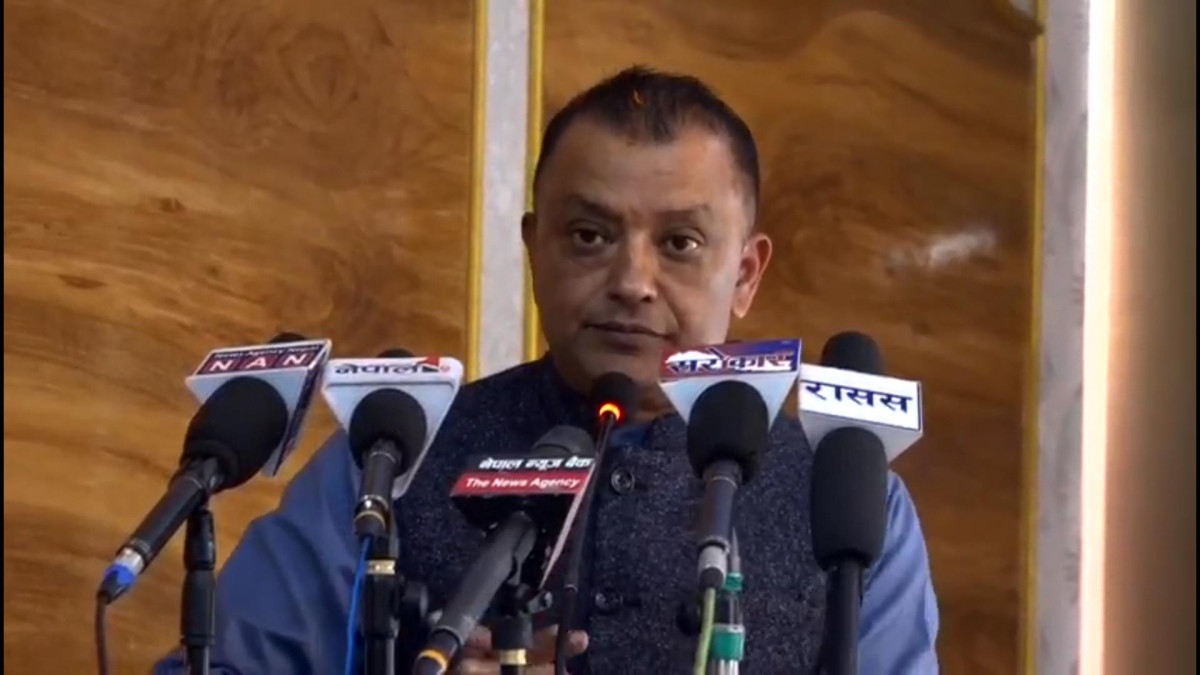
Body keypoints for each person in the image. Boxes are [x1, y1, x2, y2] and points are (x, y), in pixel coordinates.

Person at [155, 66, 939, 674]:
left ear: (746, 273)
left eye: (680, 243)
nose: (632, 281)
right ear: (534, 248)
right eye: (591, 235)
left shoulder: (850, 502)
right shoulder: (391, 459)